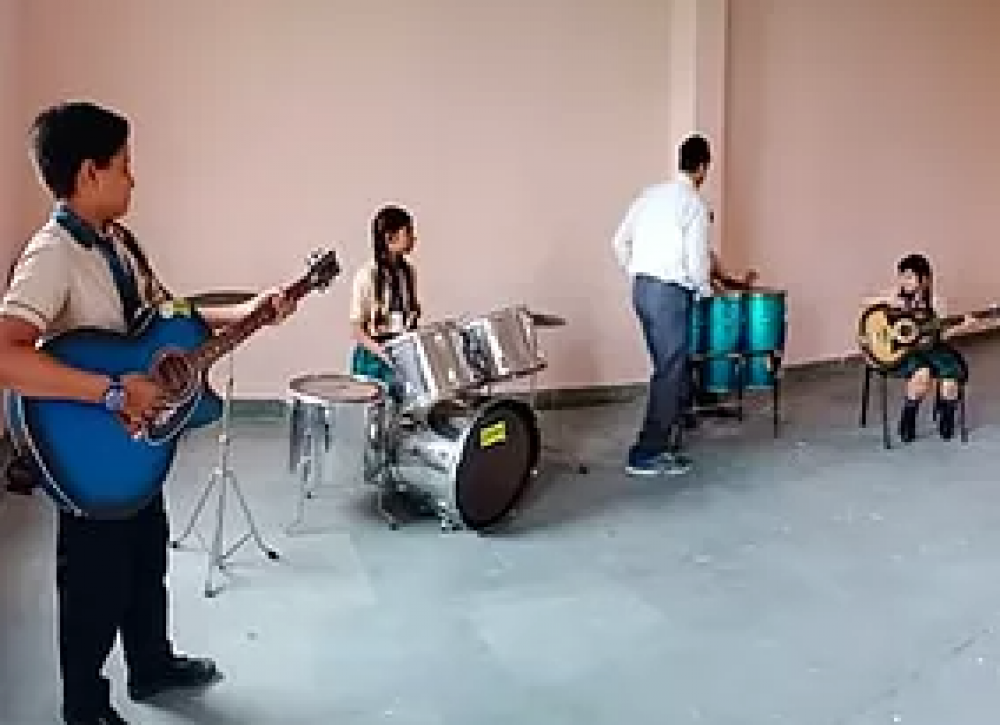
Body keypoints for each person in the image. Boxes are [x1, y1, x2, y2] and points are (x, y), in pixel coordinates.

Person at [0, 101, 295, 725]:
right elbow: (7, 355)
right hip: (90, 452)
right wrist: (112, 392)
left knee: (144, 561)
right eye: (124, 165)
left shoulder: (118, 242)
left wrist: (250, 312)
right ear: (89, 172)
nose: (134, 178)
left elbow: (170, 319)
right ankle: (84, 706)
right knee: (94, 586)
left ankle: (151, 665)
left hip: (137, 448)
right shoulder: (52, 254)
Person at [613, 134, 714, 476]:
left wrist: (639, 270)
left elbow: (619, 241)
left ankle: (677, 420)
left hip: (642, 290)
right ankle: (647, 452)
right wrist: (704, 291)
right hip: (669, 294)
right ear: (703, 168)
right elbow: (697, 262)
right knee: (669, 370)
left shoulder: (650, 195)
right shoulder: (693, 204)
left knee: (668, 365)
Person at [869, 253, 972, 442]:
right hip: (901, 352)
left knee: (950, 379)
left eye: (909, 277)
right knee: (922, 374)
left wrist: (961, 327)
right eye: (901, 276)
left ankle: (947, 415)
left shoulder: (936, 302)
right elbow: (865, 303)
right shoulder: (893, 295)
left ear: (924, 279)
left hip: (931, 348)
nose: (904, 281)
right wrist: (886, 303)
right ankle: (908, 418)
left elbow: (941, 335)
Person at [348, 204, 421, 385]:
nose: (414, 238)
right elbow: (357, 330)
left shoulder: (408, 272)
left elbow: (410, 316)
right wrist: (382, 352)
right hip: (372, 359)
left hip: (400, 352)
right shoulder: (367, 275)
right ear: (390, 237)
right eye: (408, 232)